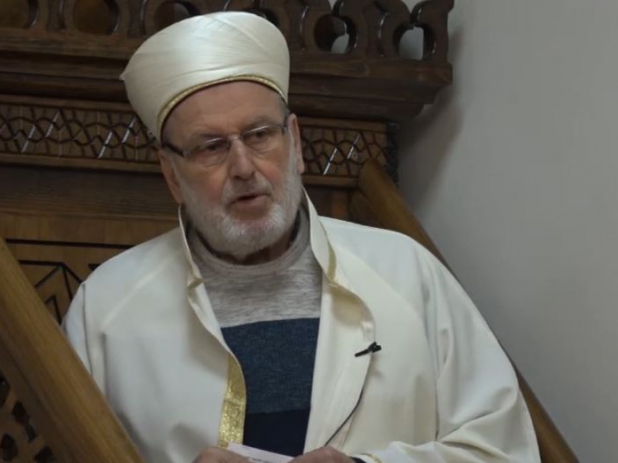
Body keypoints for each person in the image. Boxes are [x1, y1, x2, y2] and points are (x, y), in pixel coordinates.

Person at [63, 11, 540, 463]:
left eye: (259, 135)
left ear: (294, 142)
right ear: (171, 173)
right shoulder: (106, 309)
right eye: (211, 147)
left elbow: (505, 451)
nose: (243, 167)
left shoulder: (407, 274)